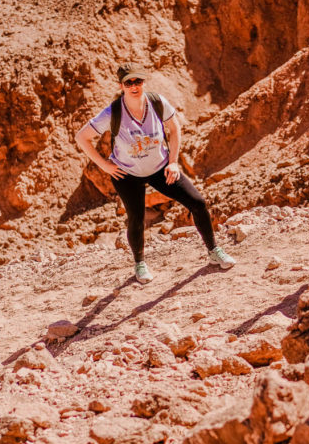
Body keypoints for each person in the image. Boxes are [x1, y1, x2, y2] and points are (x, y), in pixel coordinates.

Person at [75, 63, 235, 283]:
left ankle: (213, 251)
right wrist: (105, 165)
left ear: (144, 82)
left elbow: (175, 128)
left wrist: (174, 162)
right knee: (137, 218)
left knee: (197, 202)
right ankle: (139, 263)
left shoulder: (157, 102)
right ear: (121, 85)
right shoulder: (114, 112)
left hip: (160, 168)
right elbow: (81, 137)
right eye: (129, 82)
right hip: (127, 174)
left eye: (138, 81)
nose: (134, 86)